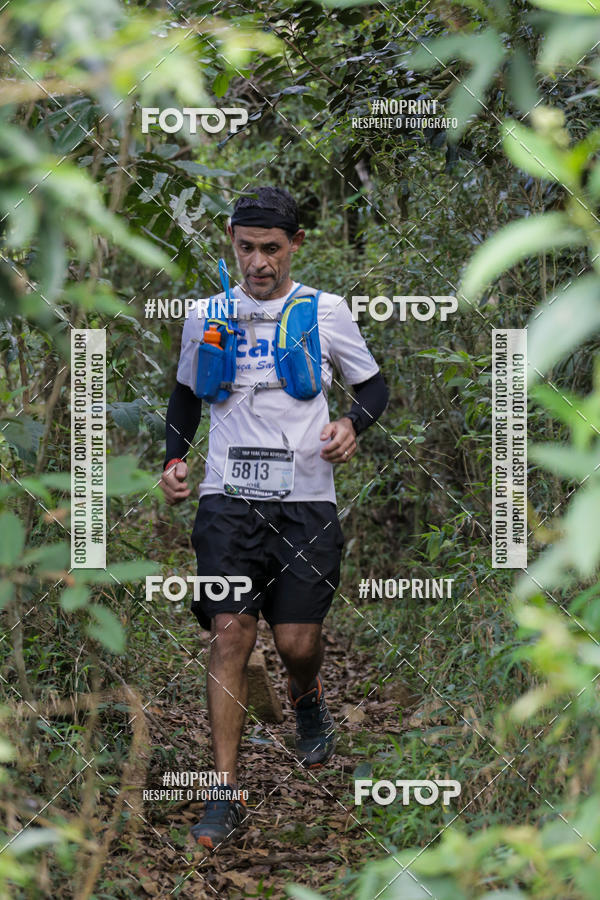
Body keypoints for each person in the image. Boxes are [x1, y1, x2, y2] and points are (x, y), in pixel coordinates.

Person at [159, 185, 388, 851]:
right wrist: (175, 460)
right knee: (231, 636)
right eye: (244, 249)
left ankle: (307, 694)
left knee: (294, 643)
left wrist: (352, 423)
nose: (257, 263)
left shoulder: (325, 310)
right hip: (227, 499)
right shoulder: (206, 312)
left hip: (307, 500)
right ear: (231, 242)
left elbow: (373, 385)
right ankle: (223, 795)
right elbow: (183, 395)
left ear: (294, 247)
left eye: (270, 249)